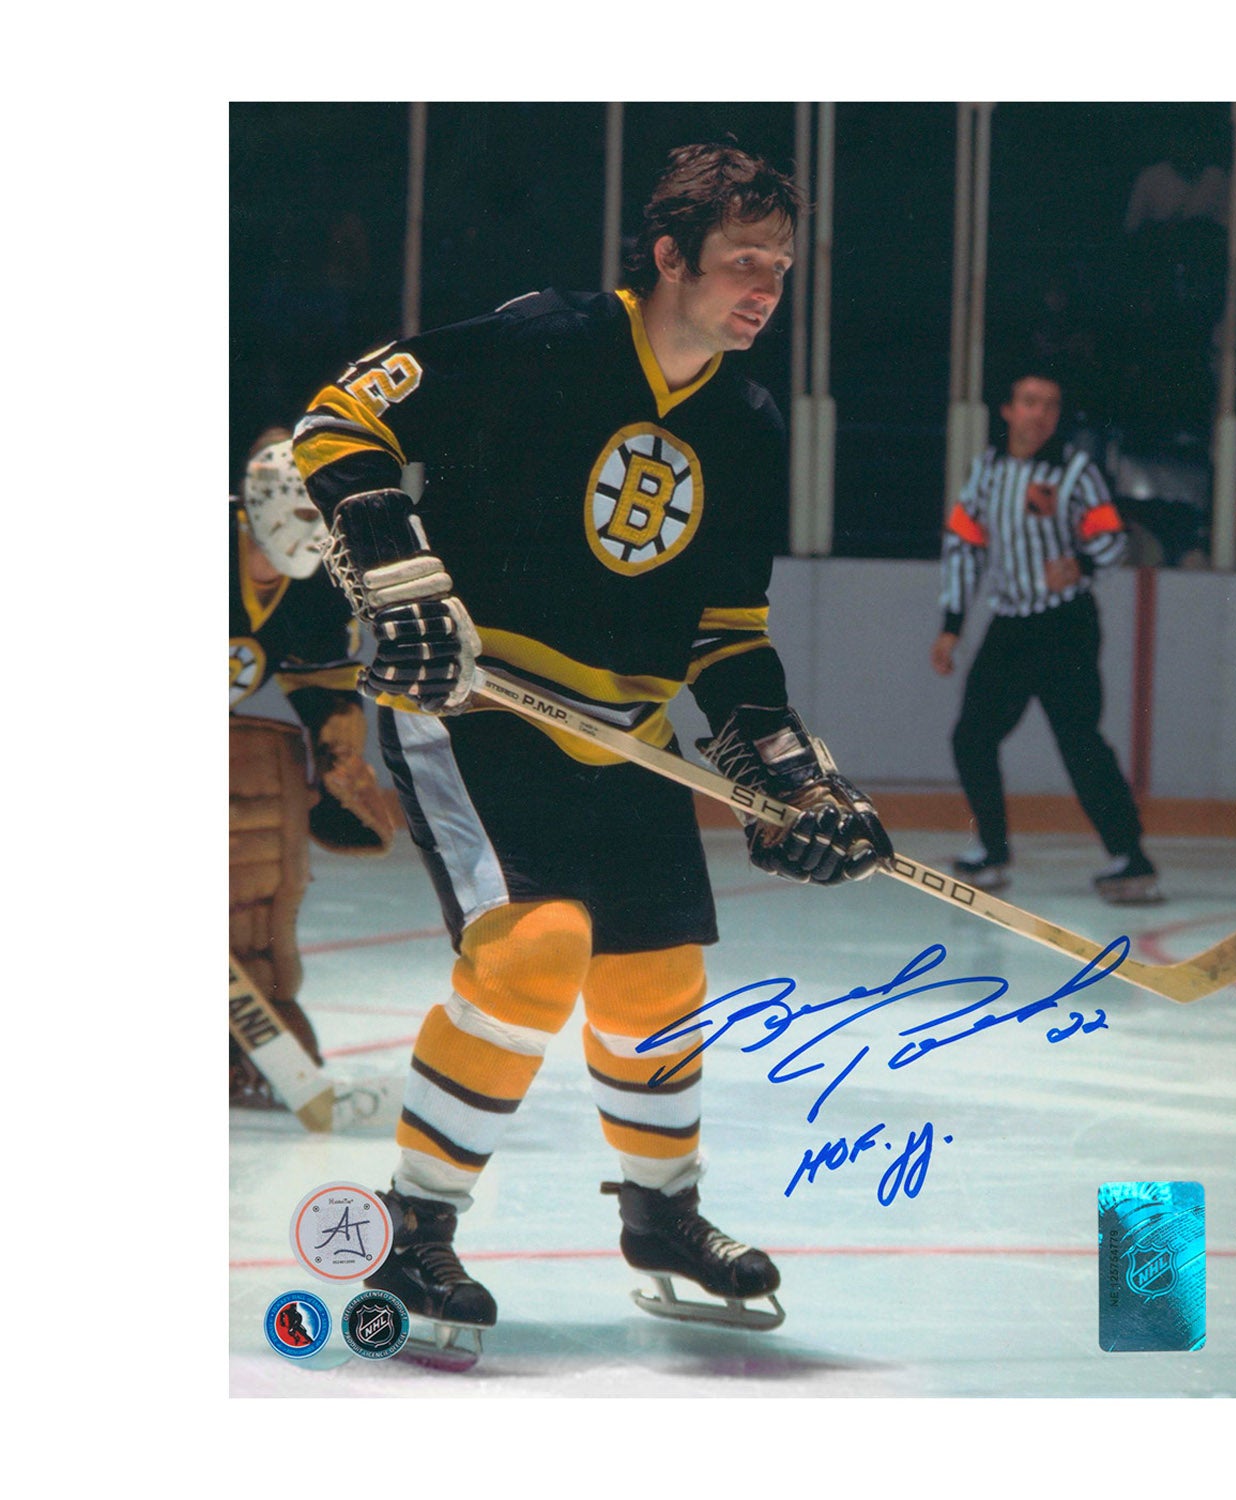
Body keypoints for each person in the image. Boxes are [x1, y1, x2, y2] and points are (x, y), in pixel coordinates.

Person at [292, 143, 892, 1343]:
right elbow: (340, 416)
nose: (766, 288)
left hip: (623, 730)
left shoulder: (746, 420)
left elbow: (727, 631)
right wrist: (399, 569)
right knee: (537, 951)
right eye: (744, 262)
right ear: (671, 256)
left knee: (656, 978)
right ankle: (413, 1232)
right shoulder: (546, 340)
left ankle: (661, 1216)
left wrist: (786, 773)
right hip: (475, 706)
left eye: (779, 268)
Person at [932, 373, 1163, 905]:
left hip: (1065, 627)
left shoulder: (1076, 472)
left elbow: (1112, 539)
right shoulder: (986, 472)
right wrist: (952, 625)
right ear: (1008, 410)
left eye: (1050, 406)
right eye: (1030, 402)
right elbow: (965, 548)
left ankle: (1130, 856)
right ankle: (991, 850)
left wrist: (1082, 563)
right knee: (972, 737)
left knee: (1079, 741)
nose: (1039, 414)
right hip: (1011, 627)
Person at [230, 430, 399, 1107]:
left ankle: (248, 1019)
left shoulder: (319, 587)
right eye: (304, 511)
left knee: (264, 776)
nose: (313, 531)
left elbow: (323, 680)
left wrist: (337, 750)